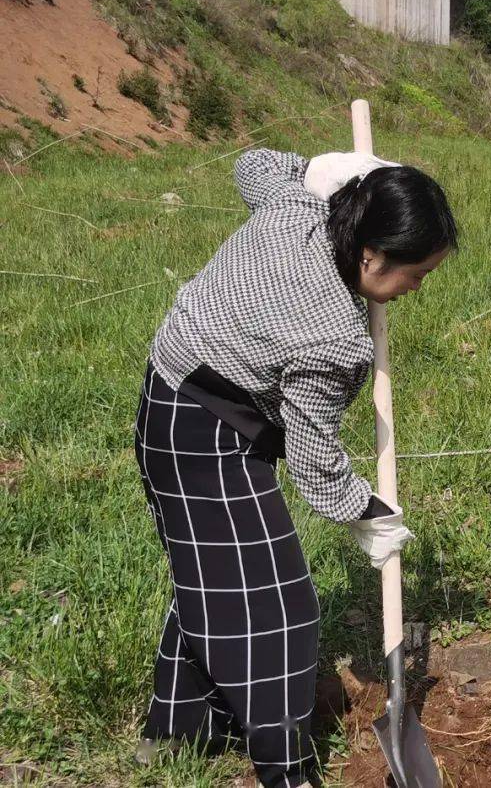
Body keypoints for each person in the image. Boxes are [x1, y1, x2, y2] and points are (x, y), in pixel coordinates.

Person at [134, 148, 458, 788]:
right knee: (281, 609)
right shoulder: (334, 335)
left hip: (172, 392)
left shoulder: (299, 210)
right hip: (199, 433)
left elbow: (254, 165)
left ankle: (180, 729)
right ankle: (287, 772)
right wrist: (367, 511)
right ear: (371, 256)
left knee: (216, 579)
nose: (418, 288)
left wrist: (317, 166)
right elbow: (315, 461)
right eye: (416, 274)